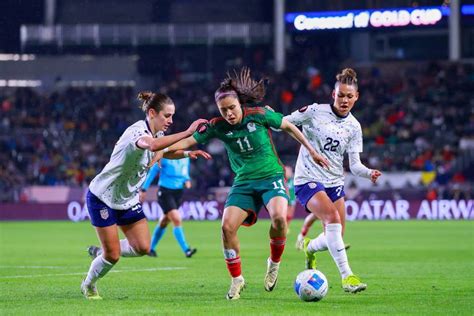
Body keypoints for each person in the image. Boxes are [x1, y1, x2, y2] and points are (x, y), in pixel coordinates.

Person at [165, 67, 329, 300]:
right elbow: (180, 146)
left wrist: (311, 151)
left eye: (232, 108)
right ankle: (236, 279)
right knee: (226, 227)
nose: (229, 114)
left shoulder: (259, 114)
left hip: (271, 176)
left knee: (280, 219)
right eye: (224, 110)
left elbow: (289, 126)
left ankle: (273, 262)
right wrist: (170, 151)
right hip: (243, 182)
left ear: (240, 104)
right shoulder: (216, 126)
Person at [81, 92, 210, 300]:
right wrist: (187, 132)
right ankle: (88, 284)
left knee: (142, 247)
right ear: (152, 113)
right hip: (102, 197)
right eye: (167, 116)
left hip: (127, 199)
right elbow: (152, 146)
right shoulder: (137, 132)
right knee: (113, 256)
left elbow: (164, 150)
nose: (170, 121)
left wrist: (187, 154)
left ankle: (103, 251)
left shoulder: (157, 135)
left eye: (172, 116)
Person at [284, 68, 382, 293]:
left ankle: (310, 248)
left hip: (335, 182)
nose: (344, 100)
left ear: (356, 97)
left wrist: (369, 173)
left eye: (349, 96)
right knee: (332, 218)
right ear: (333, 94)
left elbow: (355, 165)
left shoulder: (354, 127)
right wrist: (269, 118)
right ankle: (348, 278)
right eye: (341, 95)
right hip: (307, 178)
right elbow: (285, 122)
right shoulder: (315, 111)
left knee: (336, 233)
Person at [139, 157, 197, 258]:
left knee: (164, 222)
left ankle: (150, 249)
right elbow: (152, 173)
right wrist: (144, 189)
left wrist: (187, 180)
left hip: (178, 193)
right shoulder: (164, 158)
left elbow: (185, 173)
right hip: (165, 192)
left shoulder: (185, 158)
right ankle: (186, 249)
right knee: (176, 219)